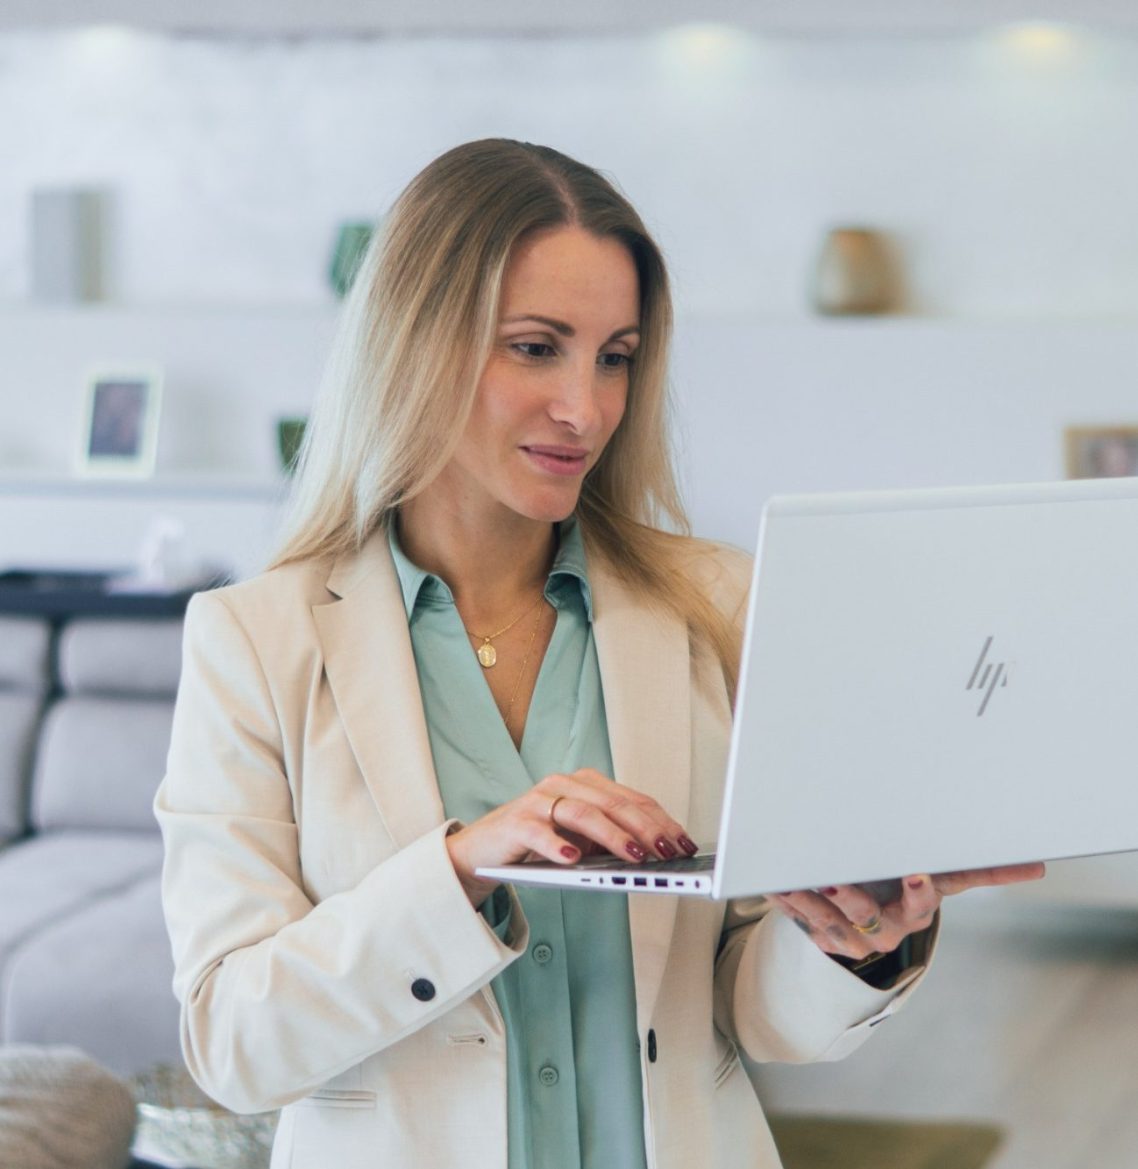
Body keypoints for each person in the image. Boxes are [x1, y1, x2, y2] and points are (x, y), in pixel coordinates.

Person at [155, 139, 1044, 1169]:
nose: (586, 407)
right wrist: (461, 866)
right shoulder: (254, 640)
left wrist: (850, 938)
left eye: (613, 355)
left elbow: (750, 1016)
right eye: (535, 346)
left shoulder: (716, 604)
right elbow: (230, 1043)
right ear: (414, 340)